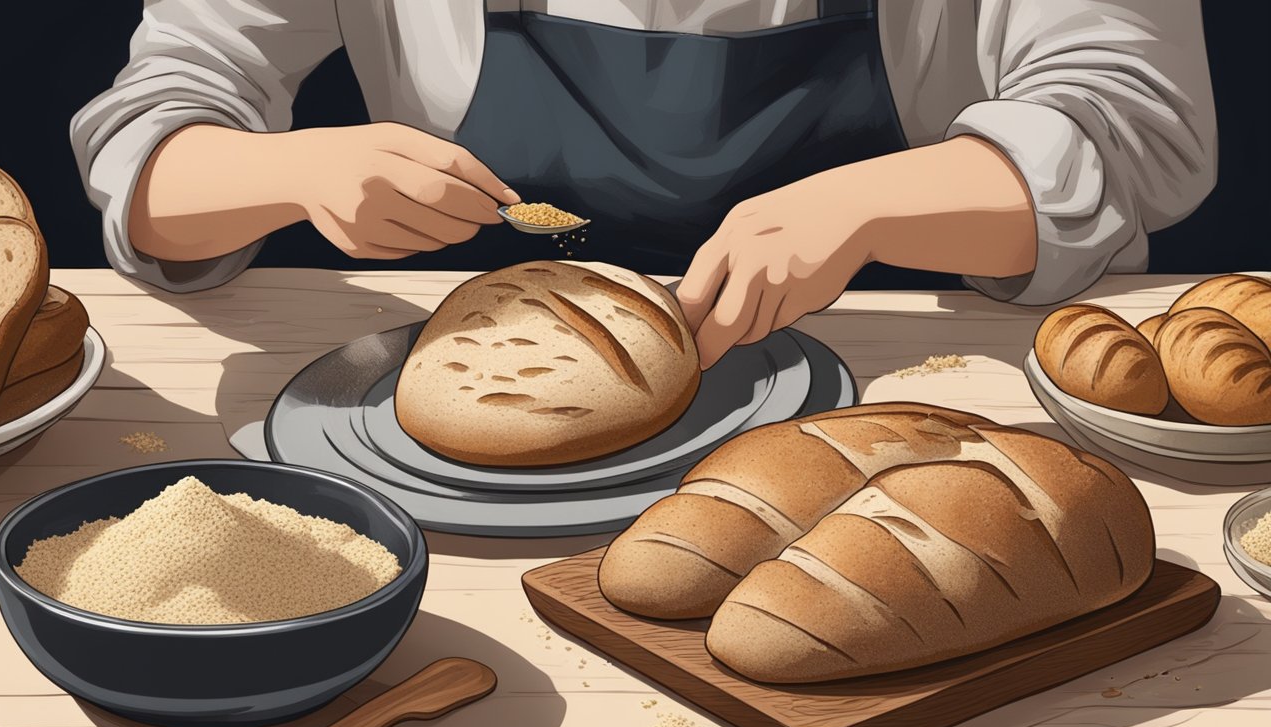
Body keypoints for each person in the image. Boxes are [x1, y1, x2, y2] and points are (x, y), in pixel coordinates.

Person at [72, 1, 1216, 368]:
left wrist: (862, 206)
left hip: (934, 387)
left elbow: (1139, 126)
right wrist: (291, 169)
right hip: (477, 427)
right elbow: (151, 135)